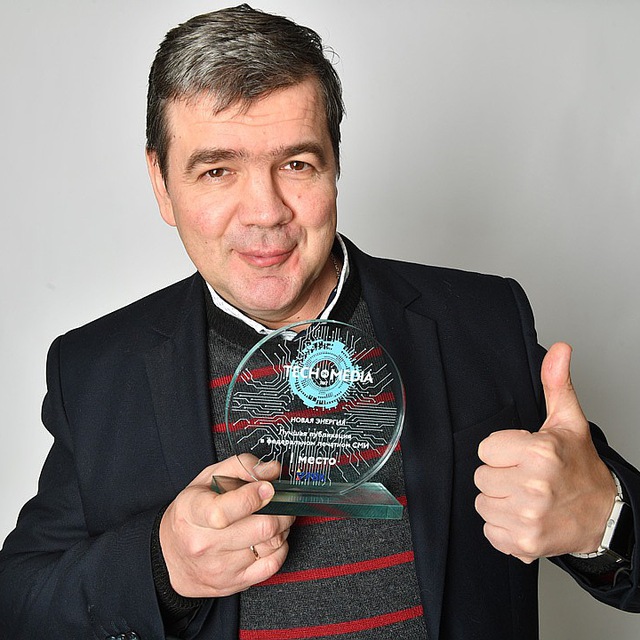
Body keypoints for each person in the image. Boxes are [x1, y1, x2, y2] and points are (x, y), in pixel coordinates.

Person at [0, 4, 638, 639]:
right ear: (162, 184)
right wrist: (162, 568)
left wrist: (602, 519)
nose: (265, 212)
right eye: (217, 170)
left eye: (296, 164)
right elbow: (20, 603)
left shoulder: (479, 322)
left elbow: (608, 530)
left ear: (334, 163)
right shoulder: (96, 373)